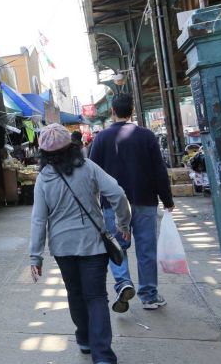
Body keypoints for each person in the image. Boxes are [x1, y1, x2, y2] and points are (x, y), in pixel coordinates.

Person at [30, 124, 131, 364]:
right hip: (93, 245)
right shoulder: (88, 168)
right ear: (72, 146)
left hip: (63, 248)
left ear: (44, 153)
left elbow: (38, 219)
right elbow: (117, 193)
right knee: (96, 297)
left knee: (75, 293)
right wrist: (123, 225)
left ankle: (84, 340)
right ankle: (103, 356)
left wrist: (35, 256)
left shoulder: (43, 179)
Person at [89, 93, 174, 312]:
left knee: (117, 246)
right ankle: (149, 295)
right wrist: (167, 199)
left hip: (112, 205)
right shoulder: (146, 136)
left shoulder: (101, 138)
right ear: (132, 111)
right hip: (145, 200)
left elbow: (91, 174)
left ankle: (123, 283)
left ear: (112, 112)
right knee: (146, 249)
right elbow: (159, 171)